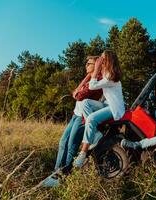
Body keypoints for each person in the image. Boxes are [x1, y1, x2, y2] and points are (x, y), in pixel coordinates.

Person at [42, 56, 104, 187]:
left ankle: (63, 178)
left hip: (83, 118)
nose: (86, 65)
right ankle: (56, 174)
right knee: (63, 141)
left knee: (72, 145)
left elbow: (79, 95)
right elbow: (74, 92)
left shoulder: (98, 80)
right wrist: (83, 82)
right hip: (76, 115)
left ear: (97, 65)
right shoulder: (88, 79)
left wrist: (77, 92)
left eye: (89, 63)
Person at [74, 50, 125, 168]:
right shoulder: (107, 73)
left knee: (91, 118)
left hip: (114, 108)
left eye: (102, 59)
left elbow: (92, 86)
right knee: (86, 103)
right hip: (107, 105)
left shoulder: (111, 76)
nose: (100, 61)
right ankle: (96, 134)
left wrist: (96, 69)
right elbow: (90, 78)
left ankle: (83, 153)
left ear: (108, 61)